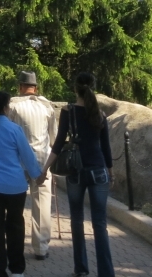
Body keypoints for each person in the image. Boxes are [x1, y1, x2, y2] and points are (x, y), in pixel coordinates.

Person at [40, 72, 115, 277]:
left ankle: (81, 269)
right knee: (100, 224)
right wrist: (110, 171)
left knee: (76, 220)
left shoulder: (68, 111)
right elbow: (106, 148)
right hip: (99, 171)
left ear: (75, 88)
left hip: (76, 171)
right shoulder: (100, 114)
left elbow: (58, 144)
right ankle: (106, 273)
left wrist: (45, 169)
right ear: (94, 87)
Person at [0, 90, 42, 277]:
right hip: (15, 187)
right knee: (15, 227)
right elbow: (27, 157)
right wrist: (38, 175)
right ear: (6, 108)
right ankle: (17, 269)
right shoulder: (14, 129)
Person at [7, 71, 57, 261]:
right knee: (42, 203)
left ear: (20, 87)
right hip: (42, 160)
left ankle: (15, 242)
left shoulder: (12, 106)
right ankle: (41, 247)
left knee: (14, 205)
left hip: (18, 161)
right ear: (35, 88)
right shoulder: (47, 107)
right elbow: (54, 137)